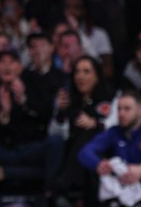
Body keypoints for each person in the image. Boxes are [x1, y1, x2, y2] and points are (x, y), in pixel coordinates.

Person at [0, 50, 64, 206]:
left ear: (19, 67)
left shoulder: (34, 85)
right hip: (2, 149)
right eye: (2, 62)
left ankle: (50, 195)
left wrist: (23, 102)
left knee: (55, 142)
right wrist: (3, 114)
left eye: (11, 62)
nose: (7, 66)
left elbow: (45, 118)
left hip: (30, 148)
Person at [78, 90, 141, 207]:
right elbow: (85, 152)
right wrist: (99, 164)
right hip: (123, 187)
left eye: (127, 109)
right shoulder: (114, 132)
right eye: (119, 109)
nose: (121, 113)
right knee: (98, 162)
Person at [50, 56, 117, 205]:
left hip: (105, 151)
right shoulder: (70, 100)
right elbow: (56, 134)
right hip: (71, 151)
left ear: (97, 76)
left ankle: (63, 186)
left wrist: (96, 123)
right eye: (77, 72)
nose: (81, 76)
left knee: (88, 135)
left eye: (87, 72)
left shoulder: (110, 97)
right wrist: (60, 112)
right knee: (81, 136)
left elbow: (117, 126)